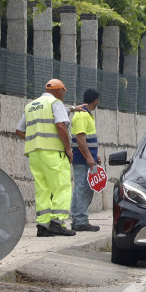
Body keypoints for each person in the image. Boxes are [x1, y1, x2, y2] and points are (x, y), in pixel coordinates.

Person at [15, 78, 76, 236]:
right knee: (62, 186)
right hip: (53, 152)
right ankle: (57, 222)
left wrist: (35, 140)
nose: (63, 94)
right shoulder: (55, 103)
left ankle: (43, 226)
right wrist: (68, 149)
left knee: (43, 189)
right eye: (63, 90)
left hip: (35, 154)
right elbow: (61, 125)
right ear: (57, 90)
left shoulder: (31, 106)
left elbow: (19, 130)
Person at [70, 88, 101, 232]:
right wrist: (89, 156)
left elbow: (88, 140)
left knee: (82, 189)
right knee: (83, 189)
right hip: (82, 159)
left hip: (85, 158)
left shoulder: (85, 115)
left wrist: (95, 156)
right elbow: (80, 138)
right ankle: (80, 221)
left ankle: (78, 220)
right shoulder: (82, 116)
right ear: (95, 101)